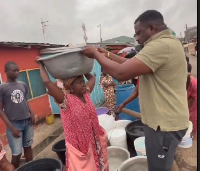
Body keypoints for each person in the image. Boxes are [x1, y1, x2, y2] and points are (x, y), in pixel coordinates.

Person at [82, 10, 189, 171]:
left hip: (163, 126)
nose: (137, 38)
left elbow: (121, 72)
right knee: (167, 161)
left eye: (139, 33)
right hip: (169, 121)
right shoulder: (168, 42)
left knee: (158, 167)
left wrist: (96, 54)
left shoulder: (160, 46)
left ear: (152, 28)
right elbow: (130, 63)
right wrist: (109, 55)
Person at [37, 58, 108, 171]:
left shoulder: (86, 94)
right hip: (79, 146)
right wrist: (41, 65)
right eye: (80, 83)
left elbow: (92, 78)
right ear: (70, 86)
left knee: (99, 165)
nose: (84, 84)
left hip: (94, 141)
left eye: (83, 82)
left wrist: (82, 67)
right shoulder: (65, 100)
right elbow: (47, 82)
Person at [0, 62, 35, 169]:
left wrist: (32, 112)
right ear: (6, 71)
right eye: (14, 70)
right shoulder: (2, 88)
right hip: (14, 124)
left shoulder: (22, 84)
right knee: (17, 153)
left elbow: (25, 100)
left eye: (18, 70)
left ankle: (32, 167)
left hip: (27, 122)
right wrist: (11, 127)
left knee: (28, 147)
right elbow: (0, 110)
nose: (17, 73)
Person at [186, 64, 197, 140]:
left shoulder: (194, 84)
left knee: (192, 119)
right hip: (182, 103)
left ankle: (193, 135)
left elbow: (192, 99)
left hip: (193, 105)